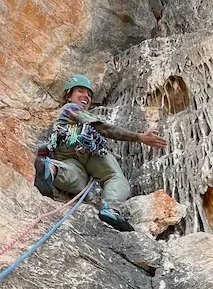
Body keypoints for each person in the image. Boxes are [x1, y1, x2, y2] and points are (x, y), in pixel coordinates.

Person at [34, 75, 167, 231]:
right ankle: (110, 208)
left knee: (78, 181)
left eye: (89, 94)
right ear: (68, 96)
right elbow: (104, 128)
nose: (86, 96)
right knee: (115, 178)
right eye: (80, 91)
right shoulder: (71, 108)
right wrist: (140, 137)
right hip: (88, 151)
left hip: (66, 154)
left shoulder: (64, 117)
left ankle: (50, 169)